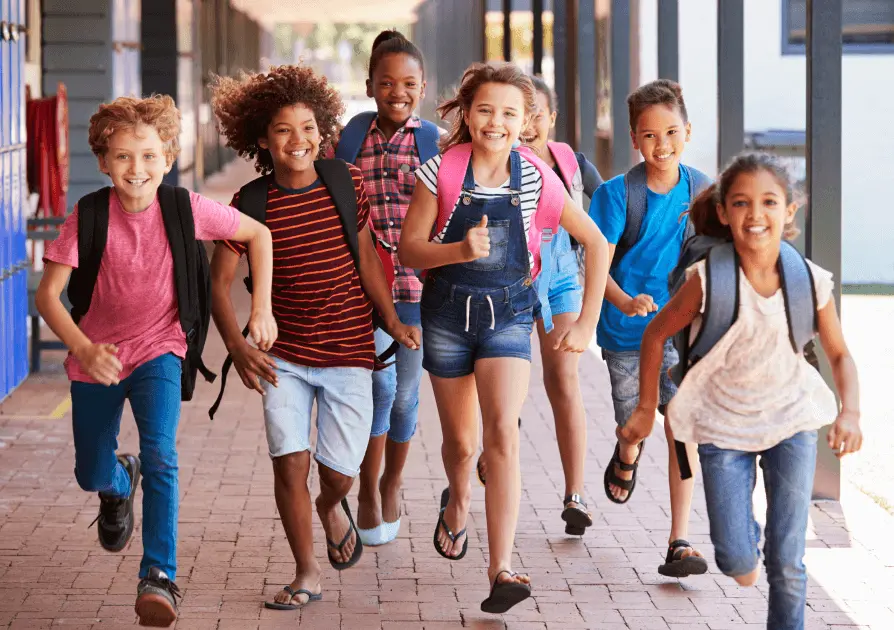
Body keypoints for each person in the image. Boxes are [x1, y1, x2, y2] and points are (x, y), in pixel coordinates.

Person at [36, 95, 276, 626]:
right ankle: (119, 480)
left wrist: (261, 306)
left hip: (160, 347)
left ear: (168, 157)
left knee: (162, 454)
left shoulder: (184, 207)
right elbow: (48, 296)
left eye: (148, 156)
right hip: (97, 356)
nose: (136, 169)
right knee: (89, 472)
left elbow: (257, 235)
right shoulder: (90, 214)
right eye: (122, 157)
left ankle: (159, 575)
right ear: (103, 161)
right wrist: (82, 348)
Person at [619, 151, 862, 630]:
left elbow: (839, 355)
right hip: (721, 428)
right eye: (742, 203)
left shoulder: (809, 281)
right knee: (737, 561)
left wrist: (850, 411)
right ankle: (746, 545)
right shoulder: (708, 280)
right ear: (725, 212)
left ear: (790, 211)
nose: (756, 215)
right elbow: (656, 335)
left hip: (791, 423)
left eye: (769, 202)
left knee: (788, 563)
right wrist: (646, 408)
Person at [400, 62, 609, 614]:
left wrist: (586, 323)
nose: (497, 121)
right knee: (463, 446)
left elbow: (597, 241)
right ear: (467, 114)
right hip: (446, 316)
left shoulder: (537, 177)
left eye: (510, 113)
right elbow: (409, 251)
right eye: (486, 110)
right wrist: (458, 252)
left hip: (510, 315)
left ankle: (502, 567)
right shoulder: (440, 172)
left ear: (526, 121)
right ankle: (458, 499)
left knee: (503, 437)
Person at [209, 65, 420, 612]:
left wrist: (392, 320)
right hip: (283, 355)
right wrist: (237, 345)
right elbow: (218, 285)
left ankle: (331, 506)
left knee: (338, 476)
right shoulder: (250, 203)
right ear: (262, 138)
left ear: (321, 131)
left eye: (306, 127)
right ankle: (306, 572)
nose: (296, 140)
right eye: (282, 130)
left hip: (349, 347)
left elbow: (369, 257)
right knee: (289, 463)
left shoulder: (344, 181)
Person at [589, 79, 710, 577]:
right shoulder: (619, 196)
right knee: (634, 423)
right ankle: (625, 451)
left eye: (671, 132)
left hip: (680, 334)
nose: (662, 145)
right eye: (649, 135)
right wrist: (624, 300)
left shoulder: (704, 191)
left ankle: (680, 539)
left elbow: (714, 258)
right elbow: (593, 265)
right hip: (625, 336)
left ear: (687, 131)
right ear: (634, 140)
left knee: (682, 429)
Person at [476, 75, 603, 536]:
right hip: (508, 276)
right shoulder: (496, 162)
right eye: (518, 113)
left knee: (563, 377)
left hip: (561, 276)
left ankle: (576, 493)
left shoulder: (572, 164)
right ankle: (496, 444)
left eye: (536, 115)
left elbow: (605, 220)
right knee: (504, 380)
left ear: (550, 118)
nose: (526, 124)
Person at [333, 30, 440, 546]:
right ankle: (369, 489)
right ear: (371, 85)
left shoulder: (436, 143)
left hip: (420, 292)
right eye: (386, 81)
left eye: (409, 83)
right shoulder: (351, 140)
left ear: (422, 87)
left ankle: (394, 479)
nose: (398, 90)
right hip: (368, 290)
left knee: (406, 396)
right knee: (379, 389)